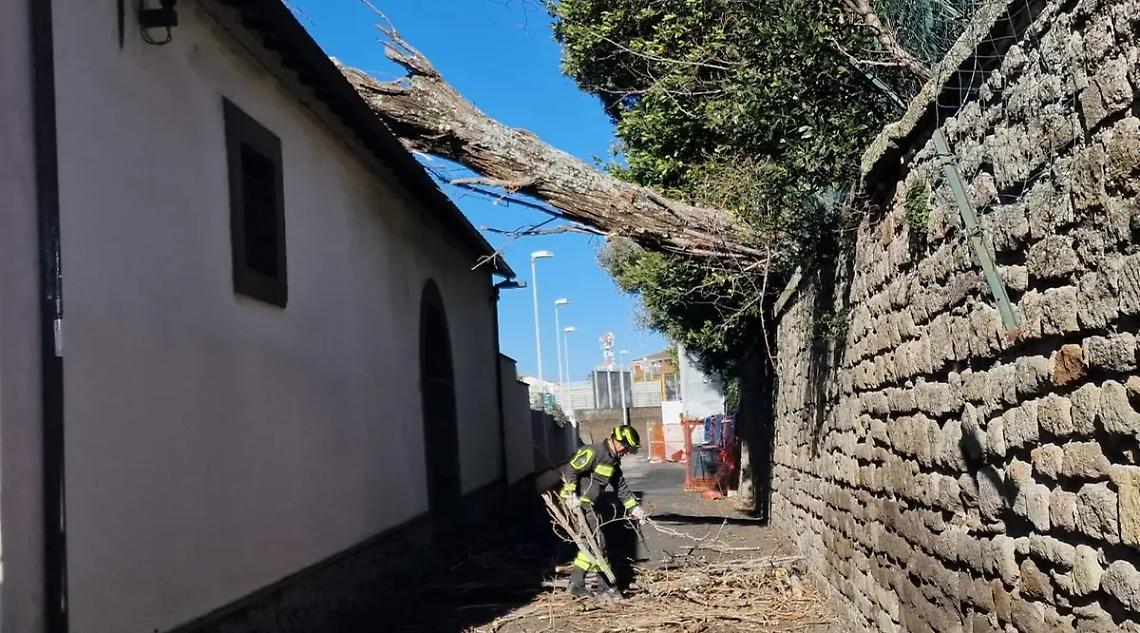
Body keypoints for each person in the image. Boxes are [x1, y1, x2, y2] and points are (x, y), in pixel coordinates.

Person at [559, 424, 648, 600]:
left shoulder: (613, 461)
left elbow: (621, 488)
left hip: (589, 505)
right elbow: (571, 469)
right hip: (578, 504)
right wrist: (570, 494)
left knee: (591, 545)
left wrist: (634, 508)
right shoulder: (594, 452)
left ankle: (576, 584)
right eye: (626, 447)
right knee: (599, 543)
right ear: (616, 441)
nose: (626, 452)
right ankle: (605, 588)